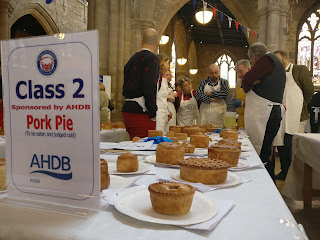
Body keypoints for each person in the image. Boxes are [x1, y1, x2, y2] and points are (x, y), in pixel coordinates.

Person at [242, 42, 286, 181]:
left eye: (251, 60)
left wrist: (249, 82)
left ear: (254, 56)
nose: (252, 63)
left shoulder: (266, 60)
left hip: (265, 113)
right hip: (270, 111)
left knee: (262, 151)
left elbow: (247, 79)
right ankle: (268, 181)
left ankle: (262, 183)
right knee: (266, 151)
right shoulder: (273, 62)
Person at [274, 50, 314, 181]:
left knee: (290, 145)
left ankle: (294, 174)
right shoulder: (277, 73)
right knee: (280, 143)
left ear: (284, 58)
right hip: (281, 113)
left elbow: (309, 90)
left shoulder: (299, 69)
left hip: (294, 114)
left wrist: (300, 105)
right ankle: (285, 170)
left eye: (277, 59)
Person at [122, 28, 159, 139]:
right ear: (157, 43)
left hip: (127, 110)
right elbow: (150, 87)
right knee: (143, 150)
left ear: (142, 41)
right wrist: (152, 113)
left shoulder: (132, 59)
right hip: (141, 112)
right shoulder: (152, 59)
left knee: (134, 147)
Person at [230, 59, 251, 128]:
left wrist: (242, 103)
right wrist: (233, 100)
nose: (239, 74)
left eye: (241, 71)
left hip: (250, 118)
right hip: (240, 118)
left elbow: (256, 102)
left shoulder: (254, 83)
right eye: (237, 72)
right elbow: (234, 95)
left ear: (248, 69)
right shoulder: (239, 82)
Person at [156, 54, 172, 132]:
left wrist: (167, 111)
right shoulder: (157, 78)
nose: (169, 66)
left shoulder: (163, 80)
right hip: (157, 112)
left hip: (163, 112)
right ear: (162, 63)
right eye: (168, 63)